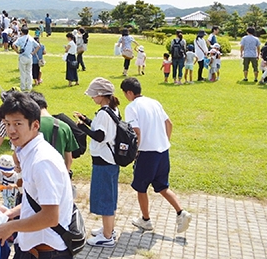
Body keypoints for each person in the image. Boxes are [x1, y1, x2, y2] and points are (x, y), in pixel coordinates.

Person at [0, 92, 74, 258]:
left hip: (46, 252)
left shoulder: (42, 161)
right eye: (7, 124)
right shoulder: (28, 153)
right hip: (32, 247)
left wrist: (11, 226)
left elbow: (50, 216)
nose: (11, 130)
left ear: (35, 125)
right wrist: (10, 213)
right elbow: (37, 200)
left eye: (18, 123)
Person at [119, 77, 192, 234]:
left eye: (125, 93)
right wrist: (164, 141)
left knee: (141, 187)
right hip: (162, 151)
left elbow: (136, 132)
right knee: (162, 186)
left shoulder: (132, 107)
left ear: (129, 92)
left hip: (146, 153)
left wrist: (134, 152)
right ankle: (181, 212)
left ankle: (146, 220)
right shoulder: (154, 102)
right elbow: (169, 123)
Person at [74, 77, 120, 248]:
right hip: (111, 160)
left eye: (94, 95)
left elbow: (100, 136)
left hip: (104, 161)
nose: (92, 98)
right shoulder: (113, 110)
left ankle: (107, 236)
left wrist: (82, 128)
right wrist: (86, 120)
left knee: (105, 198)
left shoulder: (103, 113)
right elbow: (102, 130)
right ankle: (109, 229)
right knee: (110, 196)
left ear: (101, 95)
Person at [13, 26, 40, 92]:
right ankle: (29, 86)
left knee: (23, 72)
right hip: (29, 57)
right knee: (29, 72)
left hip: (22, 56)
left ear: (22, 32)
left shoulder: (20, 39)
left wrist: (17, 51)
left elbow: (13, 45)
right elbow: (38, 46)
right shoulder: (31, 38)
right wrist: (33, 52)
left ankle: (23, 86)